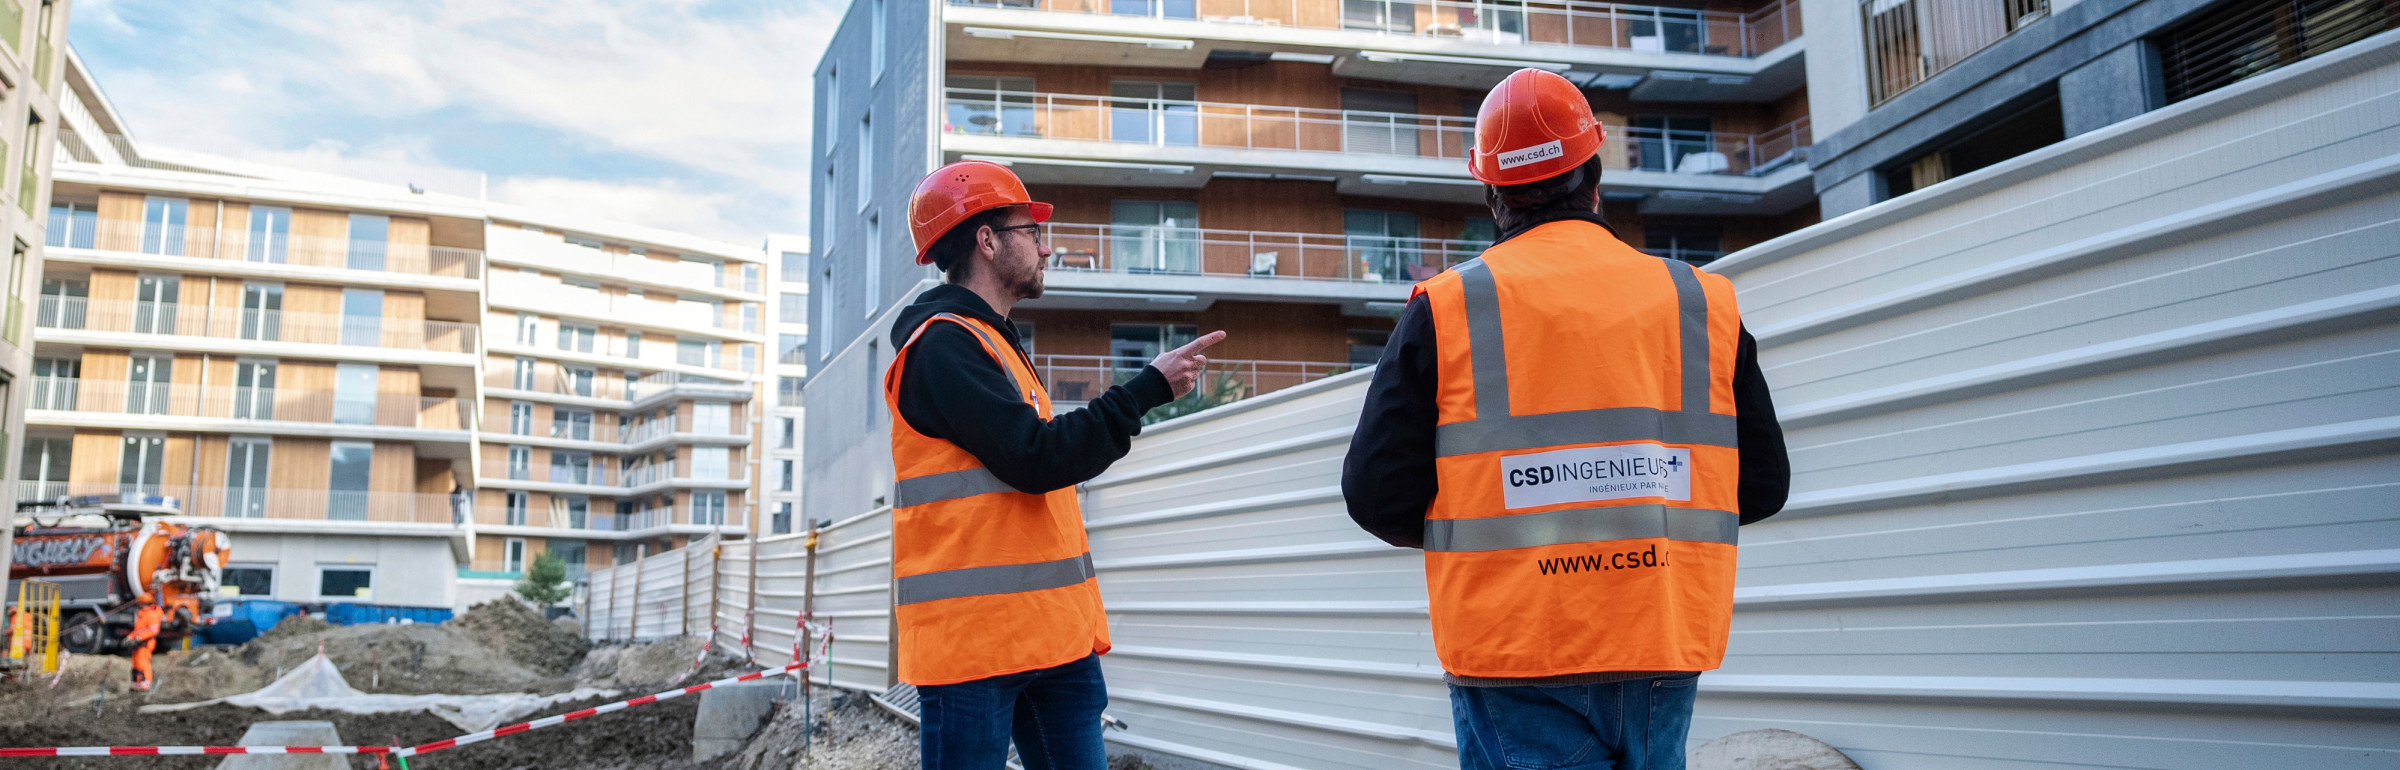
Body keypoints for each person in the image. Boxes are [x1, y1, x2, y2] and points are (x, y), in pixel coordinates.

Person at [1340, 68, 1790, 770]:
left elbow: (1376, 496)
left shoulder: (1450, 307)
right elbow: (1761, 487)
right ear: (1593, 177)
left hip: (1514, 645)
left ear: (1492, 193)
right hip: (1661, 640)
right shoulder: (1699, 301)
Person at [888, 160, 1224, 770]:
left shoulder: (993, 342)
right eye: (1031, 231)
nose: (1047, 248)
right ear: (987, 241)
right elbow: (1036, 457)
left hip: (1048, 638)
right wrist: (1146, 388)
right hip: (975, 649)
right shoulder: (943, 346)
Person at [128, 602, 162, 692]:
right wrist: (130, 637)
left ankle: (146, 683)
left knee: (143, 662)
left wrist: (140, 638)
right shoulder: (142, 614)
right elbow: (137, 631)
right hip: (138, 643)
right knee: (136, 663)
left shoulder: (151, 614)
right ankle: (136, 683)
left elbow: (154, 631)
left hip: (146, 643)